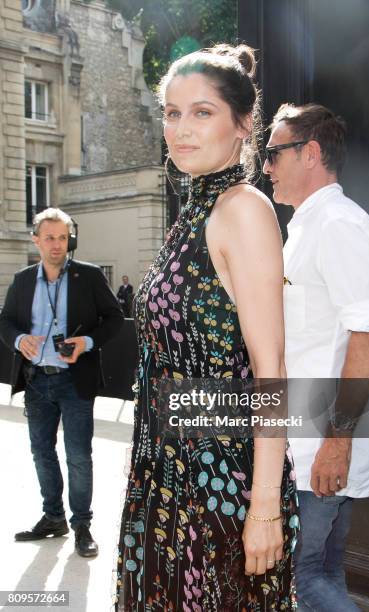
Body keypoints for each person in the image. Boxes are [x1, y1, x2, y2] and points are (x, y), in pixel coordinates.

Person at [115, 45, 298, 610]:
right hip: (168, 474)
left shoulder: (241, 209)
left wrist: (263, 506)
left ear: (244, 124)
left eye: (202, 112)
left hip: (221, 485)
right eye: (172, 113)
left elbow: (270, 371)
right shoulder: (191, 213)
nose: (181, 129)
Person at [263, 103, 369, 611]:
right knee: (326, 572)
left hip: (326, 441)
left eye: (274, 153)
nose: (266, 166)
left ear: (311, 153)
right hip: (312, 437)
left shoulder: (338, 223)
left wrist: (336, 444)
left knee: (302, 579)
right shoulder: (308, 226)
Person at [0, 208, 124, 557]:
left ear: (71, 239)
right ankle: (54, 518)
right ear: (36, 240)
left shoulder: (90, 276)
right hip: (36, 380)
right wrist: (19, 338)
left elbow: (114, 319)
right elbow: (6, 320)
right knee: (42, 453)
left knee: (79, 456)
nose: (57, 244)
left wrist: (85, 343)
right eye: (50, 237)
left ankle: (82, 524)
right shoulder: (23, 279)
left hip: (75, 381)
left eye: (63, 237)